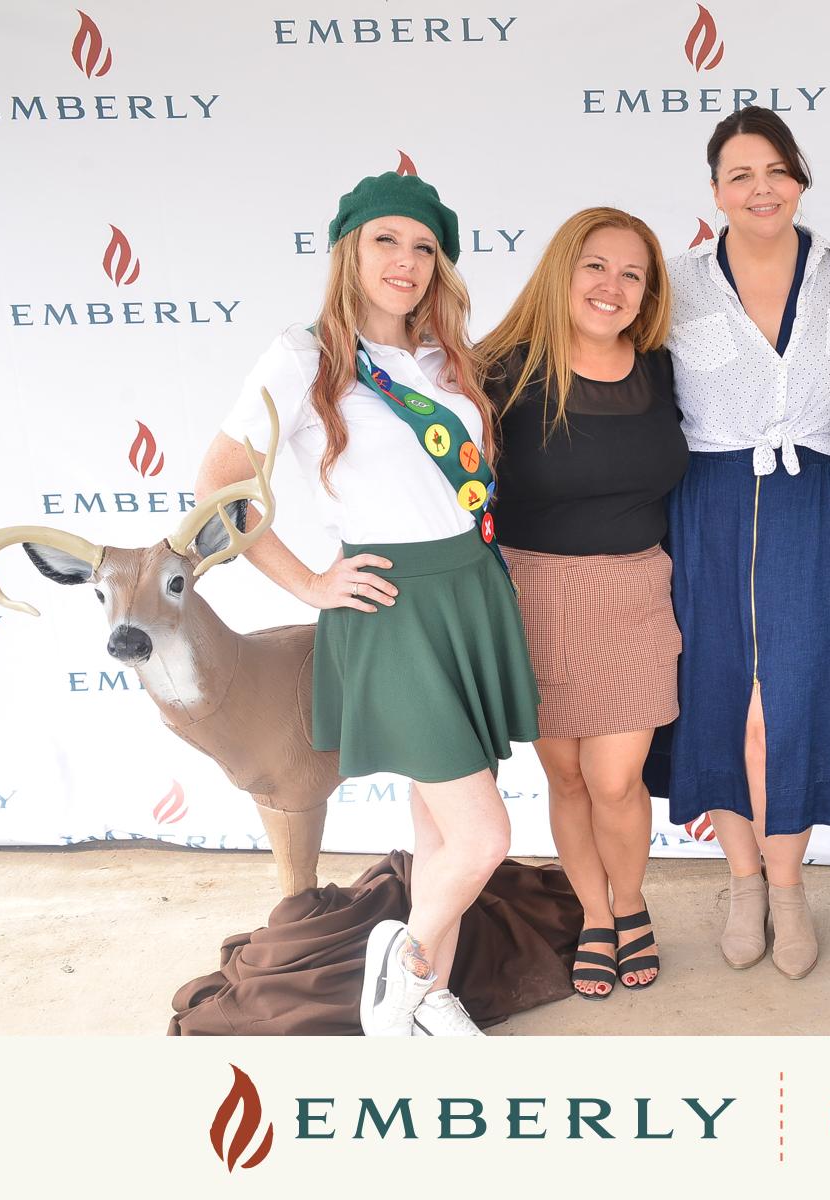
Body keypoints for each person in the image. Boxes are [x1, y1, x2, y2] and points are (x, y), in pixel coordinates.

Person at [199, 171, 539, 1036]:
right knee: (483, 838)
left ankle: (431, 1002)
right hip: (394, 613)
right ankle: (404, 969)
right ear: (350, 249)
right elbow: (220, 485)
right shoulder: (303, 353)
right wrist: (311, 583)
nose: (408, 261)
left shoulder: (442, 359)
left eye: (426, 247)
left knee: (439, 834)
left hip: (469, 594)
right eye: (387, 240)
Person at [664, 107, 830, 979]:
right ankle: (743, 880)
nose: (760, 189)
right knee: (721, 697)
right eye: (740, 175)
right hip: (707, 501)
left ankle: (789, 890)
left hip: (813, 500)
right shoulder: (674, 283)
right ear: (715, 191)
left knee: (794, 700)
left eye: (776, 171)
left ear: (800, 180)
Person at [477, 208, 686, 1001]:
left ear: (648, 293)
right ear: (563, 271)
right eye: (596, 266)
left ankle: (631, 902)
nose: (613, 286)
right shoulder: (499, 371)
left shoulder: (662, 369)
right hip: (530, 595)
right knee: (564, 777)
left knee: (615, 779)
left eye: (633, 274)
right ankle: (597, 916)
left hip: (633, 593)